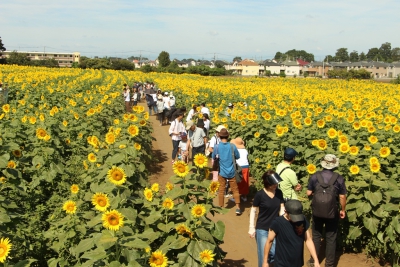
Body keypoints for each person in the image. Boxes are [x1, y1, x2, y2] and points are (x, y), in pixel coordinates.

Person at [306, 154, 347, 267]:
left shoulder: (315, 176)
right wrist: (343, 210)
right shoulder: (339, 178)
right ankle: (329, 264)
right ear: (334, 165)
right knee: (331, 237)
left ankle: (313, 261)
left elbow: (308, 193)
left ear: (323, 164)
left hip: (317, 212)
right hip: (332, 212)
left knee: (316, 236)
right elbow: (342, 197)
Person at [262, 200, 320, 267]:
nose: (296, 219)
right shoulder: (277, 223)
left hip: (297, 263)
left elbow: (308, 240)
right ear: (286, 212)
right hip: (282, 264)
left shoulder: (302, 220)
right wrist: (265, 261)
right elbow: (269, 241)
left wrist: (316, 260)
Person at [249, 170, 284, 267]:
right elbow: (253, 210)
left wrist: (283, 222)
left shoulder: (279, 193)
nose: (275, 185)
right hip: (262, 228)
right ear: (267, 183)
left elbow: (281, 208)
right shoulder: (260, 195)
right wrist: (251, 227)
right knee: (264, 255)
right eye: (273, 184)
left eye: (276, 183)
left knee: (275, 253)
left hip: (275, 228)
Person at [212, 128, 242, 215]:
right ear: (228, 136)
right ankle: (238, 208)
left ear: (219, 136)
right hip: (232, 171)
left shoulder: (217, 147)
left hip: (222, 172)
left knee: (221, 189)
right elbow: (238, 156)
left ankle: (221, 207)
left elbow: (214, 157)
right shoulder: (232, 146)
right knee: (235, 189)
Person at [230, 137, 250, 202]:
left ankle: (235, 197)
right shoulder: (245, 150)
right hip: (246, 166)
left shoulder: (235, 150)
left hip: (238, 167)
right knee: (245, 181)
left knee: (236, 181)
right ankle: (244, 196)